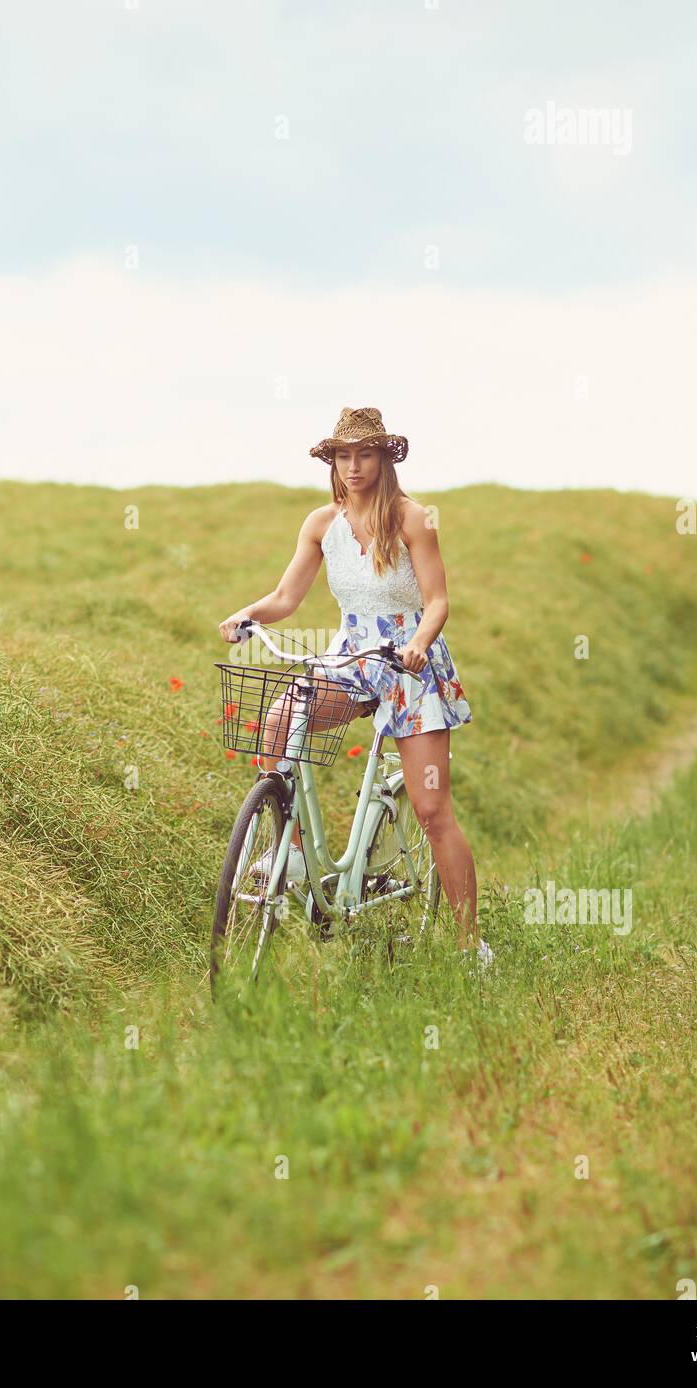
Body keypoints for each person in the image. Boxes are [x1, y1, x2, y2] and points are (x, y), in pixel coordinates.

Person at [218, 406, 493, 970]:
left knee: (433, 809)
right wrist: (249, 614)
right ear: (333, 462)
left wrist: (419, 641)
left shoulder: (413, 519)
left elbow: (438, 600)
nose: (353, 466)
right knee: (280, 716)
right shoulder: (321, 524)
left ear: (385, 458)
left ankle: (471, 947)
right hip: (353, 659)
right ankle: (290, 855)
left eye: (364, 454)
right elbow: (286, 598)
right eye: (343, 456)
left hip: (410, 665)